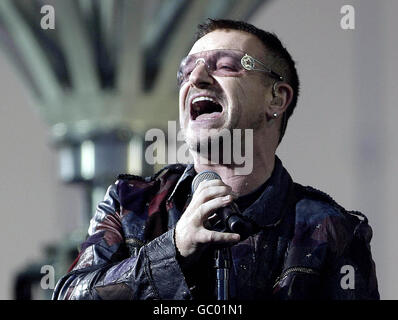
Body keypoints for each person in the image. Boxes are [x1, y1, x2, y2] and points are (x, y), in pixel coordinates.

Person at [52, 19, 379, 300]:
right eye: (187, 70)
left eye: (225, 65)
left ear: (276, 98)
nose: (197, 78)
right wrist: (173, 250)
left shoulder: (330, 228)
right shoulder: (131, 205)